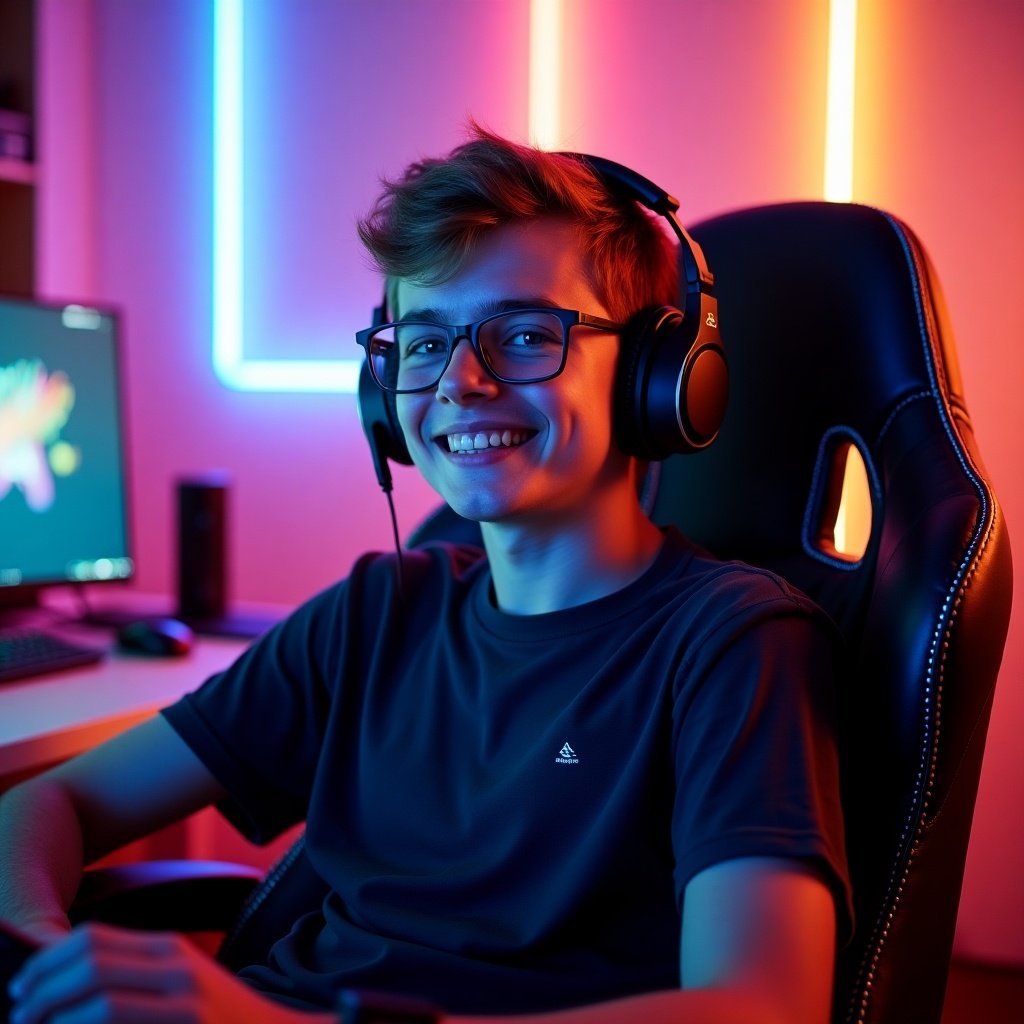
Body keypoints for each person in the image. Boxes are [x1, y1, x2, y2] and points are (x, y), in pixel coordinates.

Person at [0, 124, 850, 1024]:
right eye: (424, 344)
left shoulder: (731, 645)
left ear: (656, 378)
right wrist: (40, 961)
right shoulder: (380, 613)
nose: (462, 383)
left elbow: (767, 1003)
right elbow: (48, 800)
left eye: (524, 335)